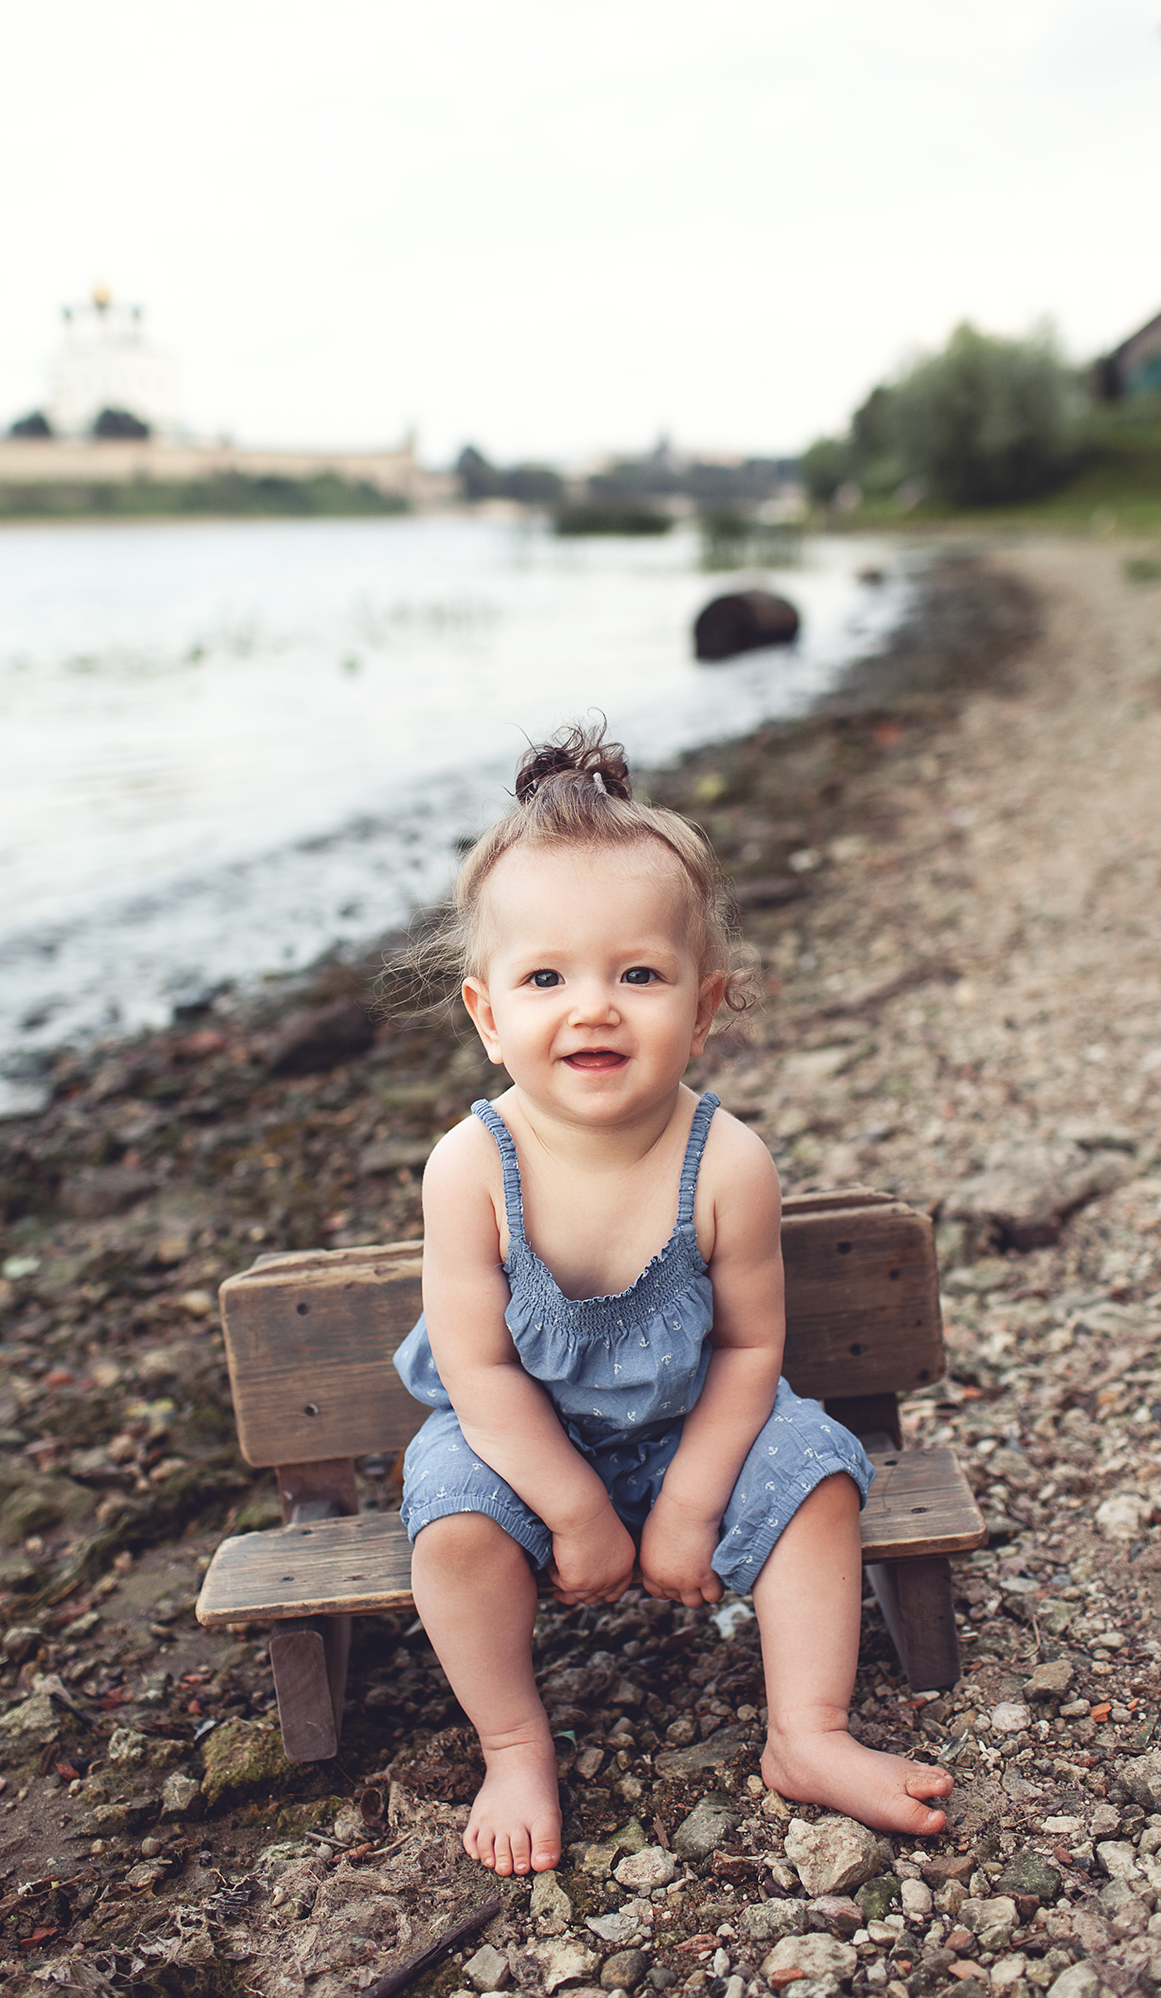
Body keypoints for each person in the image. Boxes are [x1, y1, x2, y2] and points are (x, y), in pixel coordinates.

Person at [393, 723, 953, 1879]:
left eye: (637, 973)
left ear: (703, 1006)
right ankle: (512, 1742)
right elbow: (481, 1375)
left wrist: (692, 1501)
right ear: (487, 1012)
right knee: (449, 1522)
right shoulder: (470, 1165)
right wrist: (578, 1512)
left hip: (697, 1421)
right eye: (545, 976)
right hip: (518, 1442)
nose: (592, 1007)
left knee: (816, 1471)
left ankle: (808, 1729)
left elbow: (751, 1348)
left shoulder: (726, 1160)